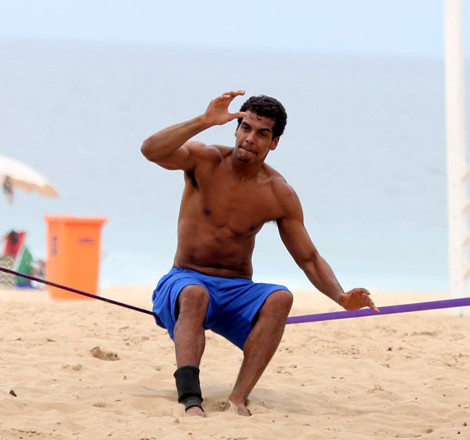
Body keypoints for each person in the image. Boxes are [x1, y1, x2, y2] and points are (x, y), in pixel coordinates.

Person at [140, 90, 379, 418]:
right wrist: (203, 121)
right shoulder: (205, 160)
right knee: (195, 293)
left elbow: (308, 257)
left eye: (262, 133)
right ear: (236, 129)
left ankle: (238, 398)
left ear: (274, 142)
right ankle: (191, 399)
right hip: (185, 280)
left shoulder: (278, 193)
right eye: (246, 128)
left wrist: (340, 296)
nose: (251, 138)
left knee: (281, 297)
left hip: (236, 289)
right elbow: (150, 150)